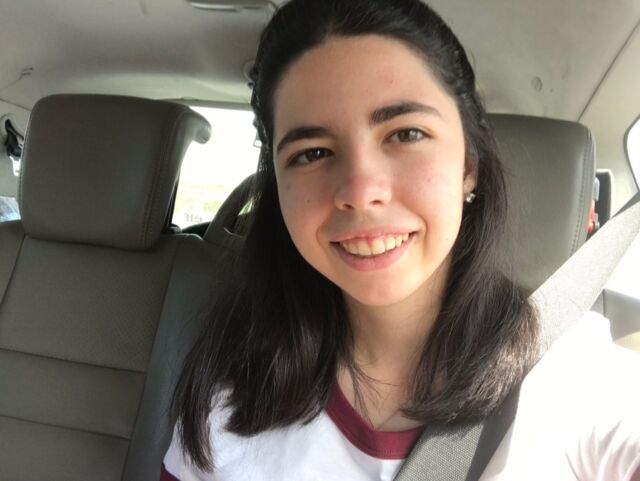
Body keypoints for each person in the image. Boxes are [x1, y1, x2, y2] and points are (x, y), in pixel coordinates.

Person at [162, 0, 640, 479]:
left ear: (469, 164)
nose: (360, 191)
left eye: (406, 133)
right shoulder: (230, 397)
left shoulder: (575, 375)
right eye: (312, 154)